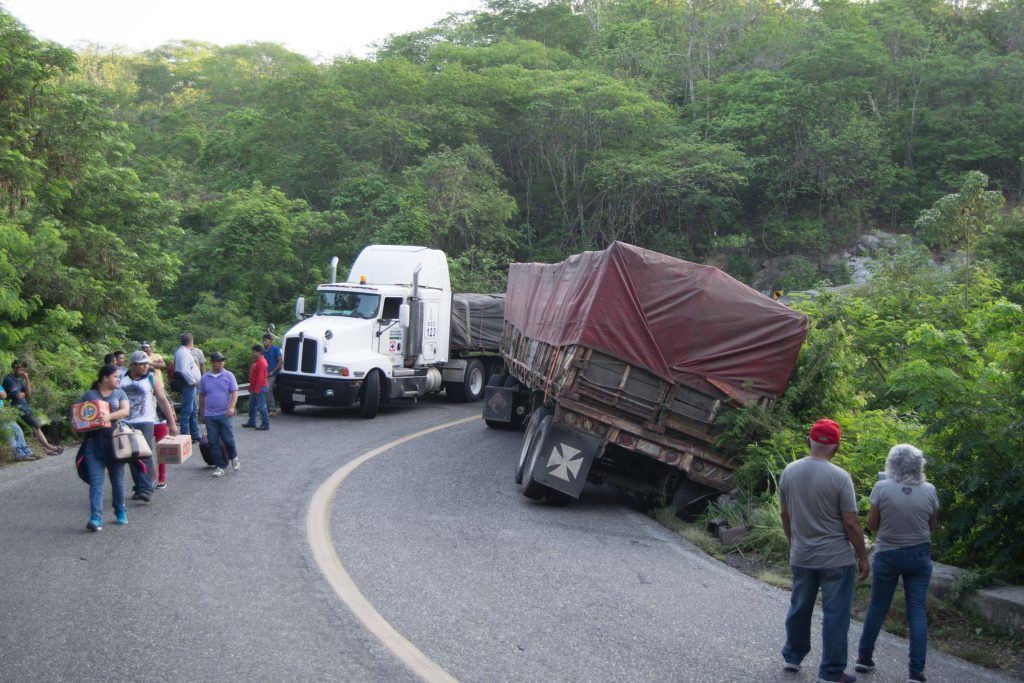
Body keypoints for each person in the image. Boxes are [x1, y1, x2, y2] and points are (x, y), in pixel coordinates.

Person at [779, 419, 869, 683]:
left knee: (800, 605)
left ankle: (792, 657)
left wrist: (792, 542)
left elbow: (785, 513)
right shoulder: (841, 478)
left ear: (809, 441)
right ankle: (830, 672)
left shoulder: (789, 471)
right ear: (836, 448)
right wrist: (863, 557)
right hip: (836, 559)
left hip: (802, 554)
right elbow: (851, 523)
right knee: (836, 614)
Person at [856, 445, 939, 683]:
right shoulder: (930, 490)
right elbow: (930, 526)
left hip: (888, 554)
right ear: (918, 464)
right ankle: (916, 671)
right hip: (919, 555)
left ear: (891, 463)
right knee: (916, 611)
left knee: (878, 606)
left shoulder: (882, 488)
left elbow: (872, 525)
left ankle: (863, 658)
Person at [121, 351, 179, 501]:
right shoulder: (121, 379)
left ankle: (146, 489)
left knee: (144, 453)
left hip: (146, 421)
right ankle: (139, 487)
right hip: (126, 422)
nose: (147, 366)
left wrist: (172, 423)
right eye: (142, 364)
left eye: (147, 363)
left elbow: (163, 400)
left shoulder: (152, 378)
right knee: (131, 456)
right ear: (133, 365)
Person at [78, 364, 130, 531]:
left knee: (117, 480)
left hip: (115, 443)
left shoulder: (120, 393)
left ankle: (120, 511)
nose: (118, 380)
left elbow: (125, 411)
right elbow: (80, 418)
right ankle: (95, 517)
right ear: (105, 378)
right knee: (96, 481)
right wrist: (90, 423)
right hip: (93, 443)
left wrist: (108, 416)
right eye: (115, 376)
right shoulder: (89, 395)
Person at [2, 360, 63, 455]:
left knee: (36, 426)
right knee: (36, 426)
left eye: (24, 369)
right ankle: (49, 447)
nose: (23, 371)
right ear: (14, 369)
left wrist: (26, 379)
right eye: (21, 369)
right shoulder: (9, 379)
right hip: (16, 408)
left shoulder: (21, 379)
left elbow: (29, 394)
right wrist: (23, 392)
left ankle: (46, 448)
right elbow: (18, 396)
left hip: (25, 407)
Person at [198, 351, 239, 477]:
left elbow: (234, 392)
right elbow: (201, 396)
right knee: (213, 442)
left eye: (222, 361)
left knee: (228, 438)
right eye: (218, 361)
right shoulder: (205, 378)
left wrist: (232, 407)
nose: (221, 363)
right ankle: (220, 466)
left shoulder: (229, 375)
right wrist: (201, 413)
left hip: (225, 413)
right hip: (210, 415)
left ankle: (234, 456)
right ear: (212, 363)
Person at [142, 341, 170, 488]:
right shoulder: (141, 391)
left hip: (160, 421)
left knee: (162, 451)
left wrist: (171, 420)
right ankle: (152, 473)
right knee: (144, 450)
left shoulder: (159, 390)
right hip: (146, 422)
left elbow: (165, 403)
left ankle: (162, 479)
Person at [173, 333, 202, 442]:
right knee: (187, 410)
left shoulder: (184, 352)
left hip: (190, 385)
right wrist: (193, 381)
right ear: (191, 342)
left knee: (194, 410)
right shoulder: (182, 353)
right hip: (187, 385)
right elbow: (183, 370)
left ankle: (195, 434)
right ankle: (185, 435)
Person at [1, 386, 39, 461]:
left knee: (18, 431)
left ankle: (27, 452)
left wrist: (2, 394)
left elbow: (4, 395)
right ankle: (19, 455)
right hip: (1, 416)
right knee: (10, 435)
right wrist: (2, 394)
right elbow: (2, 395)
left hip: (3, 412)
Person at [243, 344, 270, 430]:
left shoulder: (261, 362)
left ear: (259, 352)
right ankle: (252, 422)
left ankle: (265, 424)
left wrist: (257, 389)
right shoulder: (257, 361)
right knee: (252, 405)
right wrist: (252, 387)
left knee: (261, 406)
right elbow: (253, 375)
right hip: (256, 387)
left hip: (260, 387)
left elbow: (260, 378)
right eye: (253, 352)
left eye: (254, 352)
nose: (253, 353)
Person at [261, 333, 282, 415]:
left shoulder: (275, 349)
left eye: (266, 341)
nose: (264, 342)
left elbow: (280, 361)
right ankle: (269, 408)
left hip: (273, 374)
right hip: (264, 374)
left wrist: (273, 371)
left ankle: (270, 408)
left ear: (270, 341)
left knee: (268, 388)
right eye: (263, 341)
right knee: (267, 390)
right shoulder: (262, 351)